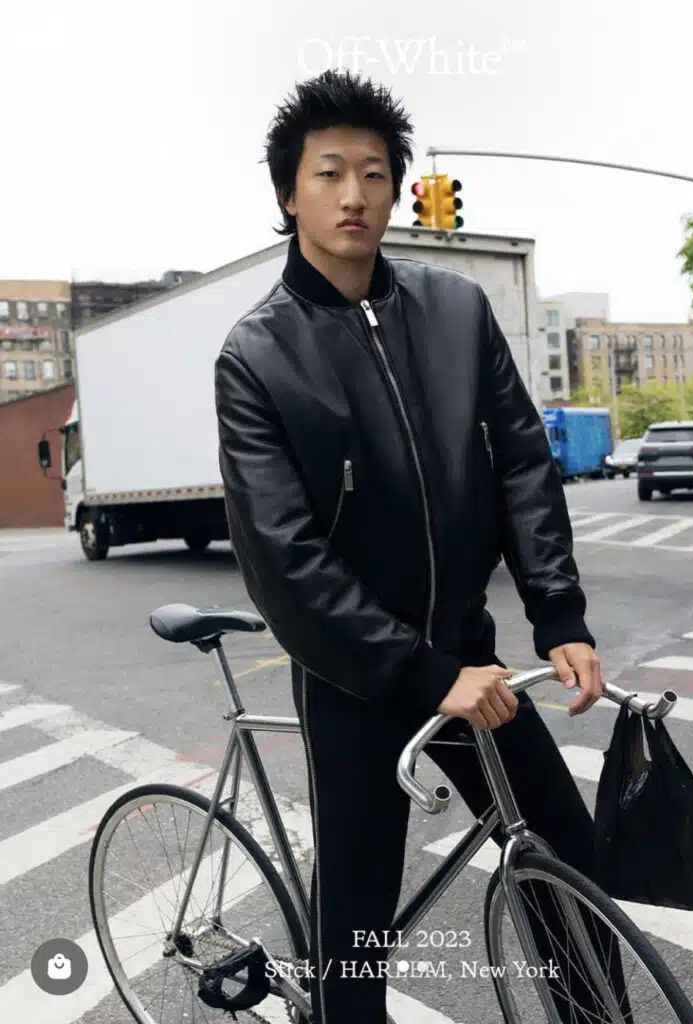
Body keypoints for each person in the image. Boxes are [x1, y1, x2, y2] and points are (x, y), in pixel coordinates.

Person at [215, 69, 610, 1024]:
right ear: (287, 193)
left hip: (468, 648)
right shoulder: (256, 353)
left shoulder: (456, 312)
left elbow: (521, 464)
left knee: (567, 863)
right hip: (356, 680)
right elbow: (284, 558)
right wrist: (421, 672)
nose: (354, 194)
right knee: (353, 939)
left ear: (397, 188)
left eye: (374, 173)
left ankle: (595, 1014)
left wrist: (558, 614)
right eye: (328, 173)